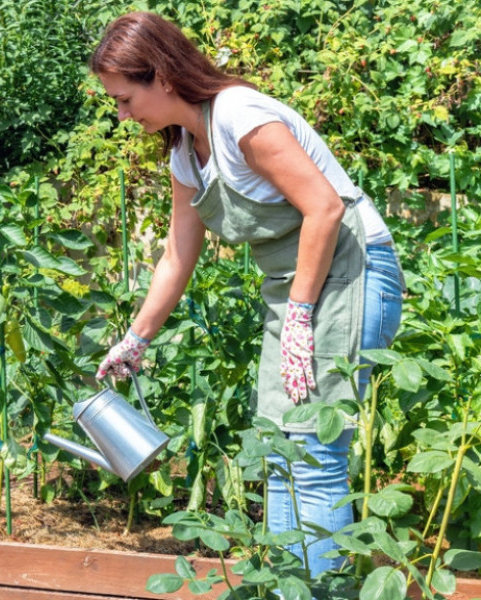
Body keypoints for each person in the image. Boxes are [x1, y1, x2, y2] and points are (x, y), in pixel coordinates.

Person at [91, 11, 404, 577]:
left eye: (125, 99)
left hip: (349, 274)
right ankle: (287, 588)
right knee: (279, 451)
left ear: (161, 76)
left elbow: (324, 208)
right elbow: (176, 255)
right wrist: (136, 339)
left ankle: (321, 591)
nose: (122, 114)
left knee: (313, 453)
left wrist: (300, 316)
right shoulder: (186, 151)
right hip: (295, 291)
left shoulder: (240, 116)